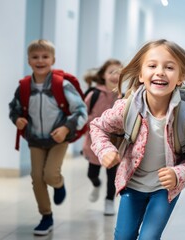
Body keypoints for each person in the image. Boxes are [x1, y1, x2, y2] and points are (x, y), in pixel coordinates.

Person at [89, 39, 185, 239]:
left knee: (149, 238)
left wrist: (178, 173)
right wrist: (105, 150)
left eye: (169, 67)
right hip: (132, 184)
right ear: (141, 74)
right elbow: (98, 126)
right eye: (152, 66)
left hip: (165, 190)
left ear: (180, 78)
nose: (160, 72)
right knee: (123, 237)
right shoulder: (126, 108)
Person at [9, 39, 87, 236]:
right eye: (35, 57)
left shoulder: (63, 84)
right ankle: (46, 216)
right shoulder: (24, 86)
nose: (40, 60)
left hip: (58, 138)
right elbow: (14, 108)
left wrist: (66, 128)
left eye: (45, 57)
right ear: (28, 60)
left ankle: (59, 185)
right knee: (37, 177)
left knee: (50, 174)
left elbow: (80, 110)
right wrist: (17, 119)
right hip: (35, 139)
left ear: (53, 59)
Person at [82, 59, 123, 216]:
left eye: (118, 72)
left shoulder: (124, 97)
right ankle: (96, 184)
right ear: (103, 75)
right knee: (92, 173)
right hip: (93, 144)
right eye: (111, 72)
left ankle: (109, 201)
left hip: (114, 145)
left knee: (112, 175)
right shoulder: (94, 94)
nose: (115, 75)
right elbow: (82, 113)